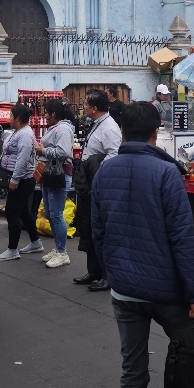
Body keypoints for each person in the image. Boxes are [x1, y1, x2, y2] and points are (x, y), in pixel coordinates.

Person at [92, 101, 194, 388]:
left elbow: (97, 231)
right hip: (168, 293)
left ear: (123, 132)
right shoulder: (166, 172)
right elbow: (183, 239)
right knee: (187, 364)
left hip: (125, 293)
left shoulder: (106, 170)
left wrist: (113, 272)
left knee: (133, 373)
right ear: (155, 133)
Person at [74, 88, 121, 291]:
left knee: (100, 231)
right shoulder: (96, 124)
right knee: (88, 227)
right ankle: (93, 271)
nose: (83, 107)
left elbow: (115, 154)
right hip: (88, 181)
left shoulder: (109, 127)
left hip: (98, 183)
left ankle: (106, 275)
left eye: (85, 104)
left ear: (94, 108)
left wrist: (99, 173)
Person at [0, 104, 43, 261]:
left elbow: (23, 159)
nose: (9, 118)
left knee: (11, 212)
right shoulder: (19, 132)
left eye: (11, 116)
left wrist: (15, 179)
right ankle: (36, 242)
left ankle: (12, 249)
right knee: (23, 211)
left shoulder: (24, 135)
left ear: (17, 118)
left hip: (23, 180)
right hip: (18, 178)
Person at [36, 100, 76, 268]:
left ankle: (62, 253)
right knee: (50, 213)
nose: (44, 116)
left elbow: (63, 152)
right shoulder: (57, 128)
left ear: (53, 114)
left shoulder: (63, 129)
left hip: (58, 175)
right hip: (49, 174)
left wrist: (42, 150)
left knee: (57, 214)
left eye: (46, 112)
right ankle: (58, 248)